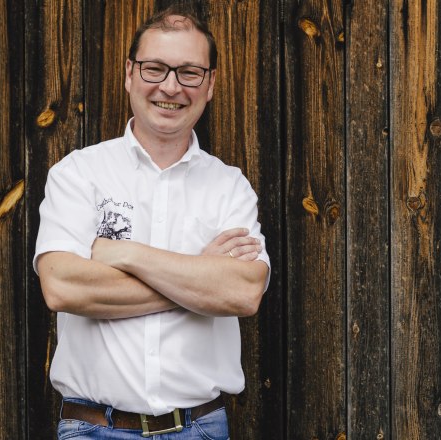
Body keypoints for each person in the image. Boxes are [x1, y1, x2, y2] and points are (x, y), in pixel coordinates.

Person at [34, 6, 270, 439]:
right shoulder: (78, 174)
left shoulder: (229, 187)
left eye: (189, 73)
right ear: (129, 73)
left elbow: (243, 291)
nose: (170, 86)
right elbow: (62, 286)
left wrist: (122, 254)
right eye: (155, 68)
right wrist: (197, 277)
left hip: (199, 428)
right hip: (92, 430)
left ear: (211, 83)